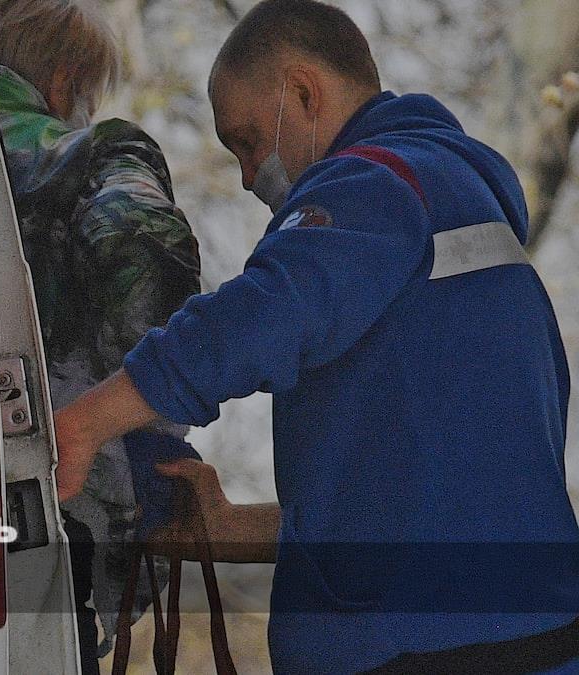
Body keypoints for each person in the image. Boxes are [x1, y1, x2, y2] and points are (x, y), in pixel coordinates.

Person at [52, 0, 579, 672]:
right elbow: (419, 505)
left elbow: (257, 318)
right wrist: (235, 527)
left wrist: (85, 422)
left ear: (304, 92)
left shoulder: (377, 183)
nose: (248, 177)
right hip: (530, 635)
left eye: (248, 141)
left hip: (425, 651)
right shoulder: (453, 208)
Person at [0, 0, 204, 668]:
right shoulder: (95, 153)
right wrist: (149, 410)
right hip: (61, 500)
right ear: (65, 80)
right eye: (90, 93)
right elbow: (143, 258)